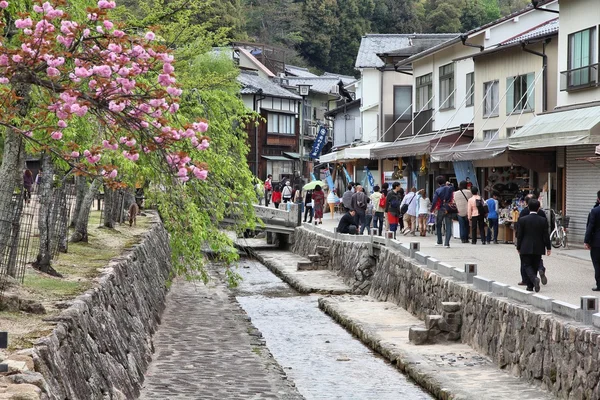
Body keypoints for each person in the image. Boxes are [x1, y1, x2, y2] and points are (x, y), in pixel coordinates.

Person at [517, 199, 551, 292]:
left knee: (526, 265)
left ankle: (533, 281)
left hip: (525, 245)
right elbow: (546, 235)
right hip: (539, 246)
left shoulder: (523, 220)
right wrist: (548, 247)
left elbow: (519, 235)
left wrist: (518, 246)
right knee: (535, 265)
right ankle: (530, 286)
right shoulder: (543, 220)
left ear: (528, 207)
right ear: (538, 209)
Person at [431, 175, 454, 247]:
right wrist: (449, 184)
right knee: (448, 225)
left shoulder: (438, 190)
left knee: (438, 225)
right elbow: (453, 189)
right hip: (449, 208)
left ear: (438, 183)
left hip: (441, 208)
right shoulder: (450, 188)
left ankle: (439, 241)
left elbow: (434, 201)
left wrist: (432, 209)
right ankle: (447, 243)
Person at [585, 190, 600, 291]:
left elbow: (590, 227)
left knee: (597, 263)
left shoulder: (595, 211)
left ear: (598, 199)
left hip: (597, 242)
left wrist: (587, 240)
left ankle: (599, 284)